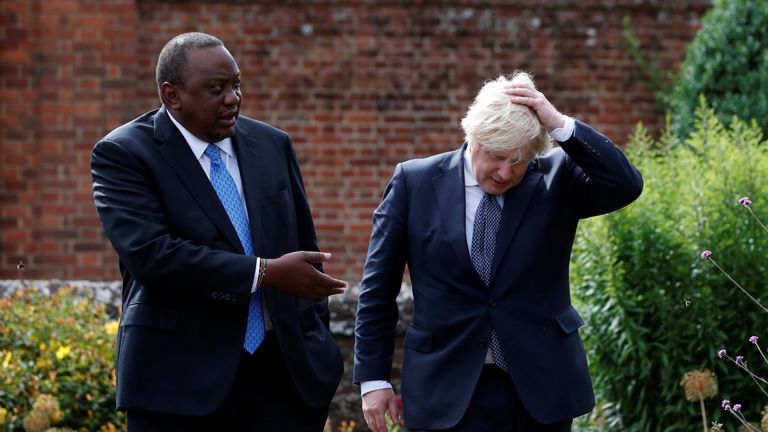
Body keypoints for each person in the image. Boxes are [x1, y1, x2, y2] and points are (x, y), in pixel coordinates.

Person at [354, 72, 643, 432]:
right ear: (472, 137)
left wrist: (557, 122)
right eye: (497, 156)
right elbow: (378, 288)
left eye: (518, 161)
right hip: (447, 387)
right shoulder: (414, 183)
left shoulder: (556, 178)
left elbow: (626, 185)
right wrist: (373, 379)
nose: (506, 173)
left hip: (541, 388)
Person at [91, 32, 347, 431]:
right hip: (178, 384)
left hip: (283, 382)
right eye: (217, 89)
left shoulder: (272, 144)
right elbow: (152, 255)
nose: (233, 98)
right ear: (171, 95)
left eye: (236, 84)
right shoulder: (124, 154)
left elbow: (303, 247)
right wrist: (265, 272)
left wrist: (315, 345)